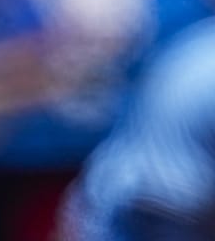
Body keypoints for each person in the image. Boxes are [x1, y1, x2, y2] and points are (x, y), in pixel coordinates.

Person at [56, 15, 215, 239]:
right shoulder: (204, 57)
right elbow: (155, 204)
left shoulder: (202, 40)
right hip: (141, 216)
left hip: (158, 205)